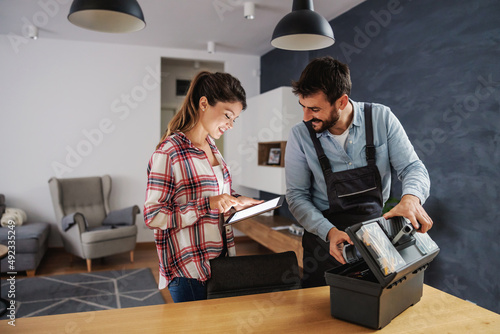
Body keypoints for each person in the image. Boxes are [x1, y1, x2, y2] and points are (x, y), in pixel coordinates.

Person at [284, 56, 433, 288]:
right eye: (302, 106)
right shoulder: (300, 135)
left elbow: (412, 167)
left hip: (376, 239)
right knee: (319, 316)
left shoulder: (382, 119)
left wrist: (412, 198)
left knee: (375, 307)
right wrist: (329, 232)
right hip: (325, 242)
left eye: (314, 109)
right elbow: (296, 196)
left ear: (341, 102)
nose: (305, 117)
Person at [144, 71, 262, 302]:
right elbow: (153, 216)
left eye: (234, 119)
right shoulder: (169, 152)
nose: (230, 125)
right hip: (189, 269)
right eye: (227, 116)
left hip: (220, 260)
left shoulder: (212, 147)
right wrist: (207, 204)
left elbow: (212, 194)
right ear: (204, 104)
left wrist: (237, 200)